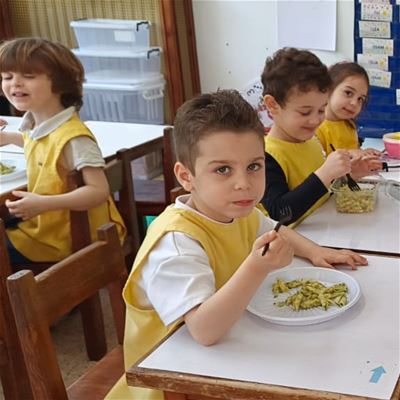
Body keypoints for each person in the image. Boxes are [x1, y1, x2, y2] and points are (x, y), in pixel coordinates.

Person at [106, 90, 367, 400]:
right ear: (186, 176)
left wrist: (315, 251)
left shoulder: (237, 211)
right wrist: (256, 268)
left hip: (226, 360)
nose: (244, 183)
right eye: (222, 170)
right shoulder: (176, 244)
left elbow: (274, 228)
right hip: (169, 386)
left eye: (254, 166)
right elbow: (204, 331)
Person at [0, 37, 126, 265]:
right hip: (50, 227)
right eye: (7, 77)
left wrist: (43, 203)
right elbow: (41, 145)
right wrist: (7, 138)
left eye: (28, 76)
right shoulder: (40, 127)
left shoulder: (74, 137)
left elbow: (98, 190)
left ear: (60, 83)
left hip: (66, 240)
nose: (15, 83)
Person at [260, 48, 381, 226]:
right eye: (305, 112)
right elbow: (279, 213)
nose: (315, 120)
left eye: (321, 110)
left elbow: (319, 194)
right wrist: (325, 174)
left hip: (327, 230)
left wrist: (347, 175)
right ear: (273, 105)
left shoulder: (311, 142)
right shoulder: (265, 156)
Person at [316, 62, 381, 157]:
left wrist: (364, 153)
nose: (354, 103)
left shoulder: (349, 125)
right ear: (328, 89)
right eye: (348, 93)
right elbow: (318, 163)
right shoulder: (315, 128)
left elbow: (353, 150)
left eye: (360, 99)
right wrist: (349, 154)